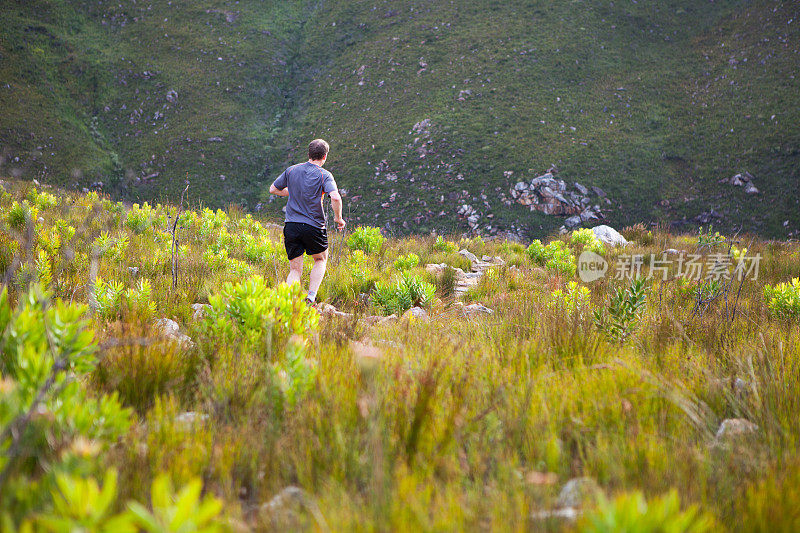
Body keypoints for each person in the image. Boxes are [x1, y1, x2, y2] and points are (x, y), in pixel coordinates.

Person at [269, 139, 345, 305]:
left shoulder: (291, 170)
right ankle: (310, 298)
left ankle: (287, 303)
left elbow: (273, 189)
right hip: (313, 227)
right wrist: (338, 218)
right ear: (324, 156)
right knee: (320, 259)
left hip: (291, 226)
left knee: (295, 269)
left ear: (309, 154)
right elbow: (336, 197)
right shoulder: (324, 175)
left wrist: (293, 192)